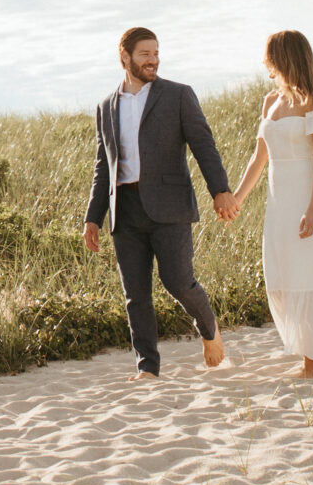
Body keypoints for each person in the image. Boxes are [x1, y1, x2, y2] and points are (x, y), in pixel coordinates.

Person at [81, 26, 241, 380]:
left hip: (169, 206)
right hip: (125, 209)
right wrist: (93, 217)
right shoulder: (106, 107)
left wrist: (221, 190)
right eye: (144, 55)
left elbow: (204, 145)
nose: (152, 60)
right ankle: (147, 367)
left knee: (179, 282)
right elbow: (101, 166)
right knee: (135, 295)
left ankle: (209, 328)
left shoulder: (178, 95)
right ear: (125, 58)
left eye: (155, 53)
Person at [222, 29, 313, 377]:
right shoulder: (270, 101)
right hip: (277, 201)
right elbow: (258, 159)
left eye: (270, 55)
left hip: (305, 198)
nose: (265, 62)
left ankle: (311, 363)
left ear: (284, 58)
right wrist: (236, 199)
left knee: (307, 277)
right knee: (279, 279)